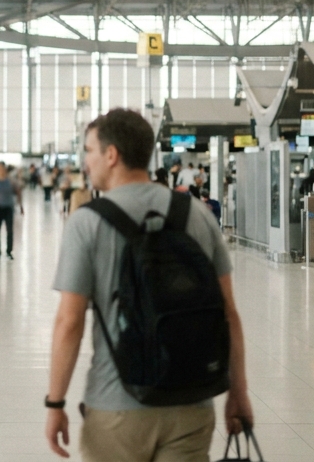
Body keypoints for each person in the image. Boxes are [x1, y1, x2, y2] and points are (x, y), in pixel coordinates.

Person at [45, 109, 252, 460]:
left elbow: (69, 322)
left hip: (116, 407)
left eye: (89, 150)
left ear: (111, 155)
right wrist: (239, 392)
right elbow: (228, 313)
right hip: (191, 403)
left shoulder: (86, 222)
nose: (86, 161)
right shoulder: (196, 213)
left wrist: (55, 403)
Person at [0, 162, 23, 260]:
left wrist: (20, 205)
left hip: (8, 208)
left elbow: (18, 191)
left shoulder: (11, 180)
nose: (0, 171)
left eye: (2, 169)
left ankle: (9, 251)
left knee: (9, 231)